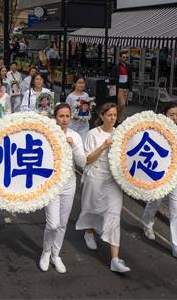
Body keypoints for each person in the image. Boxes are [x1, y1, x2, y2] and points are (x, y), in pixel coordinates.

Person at [76, 103, 130, 273]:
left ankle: (115, 259)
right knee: (91, 209)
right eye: (109, 115)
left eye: (115, 115)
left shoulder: (120, 134)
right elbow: (87, 160)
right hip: (95, 177)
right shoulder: (93, 134)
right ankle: (89, 232)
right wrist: (103, 146)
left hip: (113, 180)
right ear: (101, 116)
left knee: (114, 215)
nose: (113, 118)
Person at [142, 102, 177, 263]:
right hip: (161, 177)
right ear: (164, 115)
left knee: (176, 212)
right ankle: (147, 222)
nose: (175, 117)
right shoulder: (156, 131)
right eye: (171, 114)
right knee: (155, 202)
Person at [39, 103, 86, 273]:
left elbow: (82, 163)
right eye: (61, 116)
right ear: (55, 117)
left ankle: (55, 254)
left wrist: (73, 145)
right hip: (51, 184)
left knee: (63, 223)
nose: (64, 120)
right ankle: (45, 251)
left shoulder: (75, 136)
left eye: (67, 116)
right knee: (53, 223)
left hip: (69, 184)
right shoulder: (47, 134)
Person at [66, 76, 91, 142]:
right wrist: (73, 116)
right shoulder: (70, 97)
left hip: (84, 125)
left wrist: (88, 115)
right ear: (74, 84)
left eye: (83, 83)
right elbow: (66, 111)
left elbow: (87, 109)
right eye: (79, 83)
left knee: (83, 144)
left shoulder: (86, 95)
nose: (81, 85)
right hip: (73, 126)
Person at [111, 50, 132, 123]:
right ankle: (113, 114)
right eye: (123, 57)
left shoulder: (128, 67)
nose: (125, 59)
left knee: (123, 105)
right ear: (120, 58)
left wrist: (130, 88)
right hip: (119, 87)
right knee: (122, 104)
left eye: (126, 57)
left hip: (126, 87)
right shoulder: (116, 67)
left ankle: (118, 119)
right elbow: (113, 78)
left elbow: (130, 78)